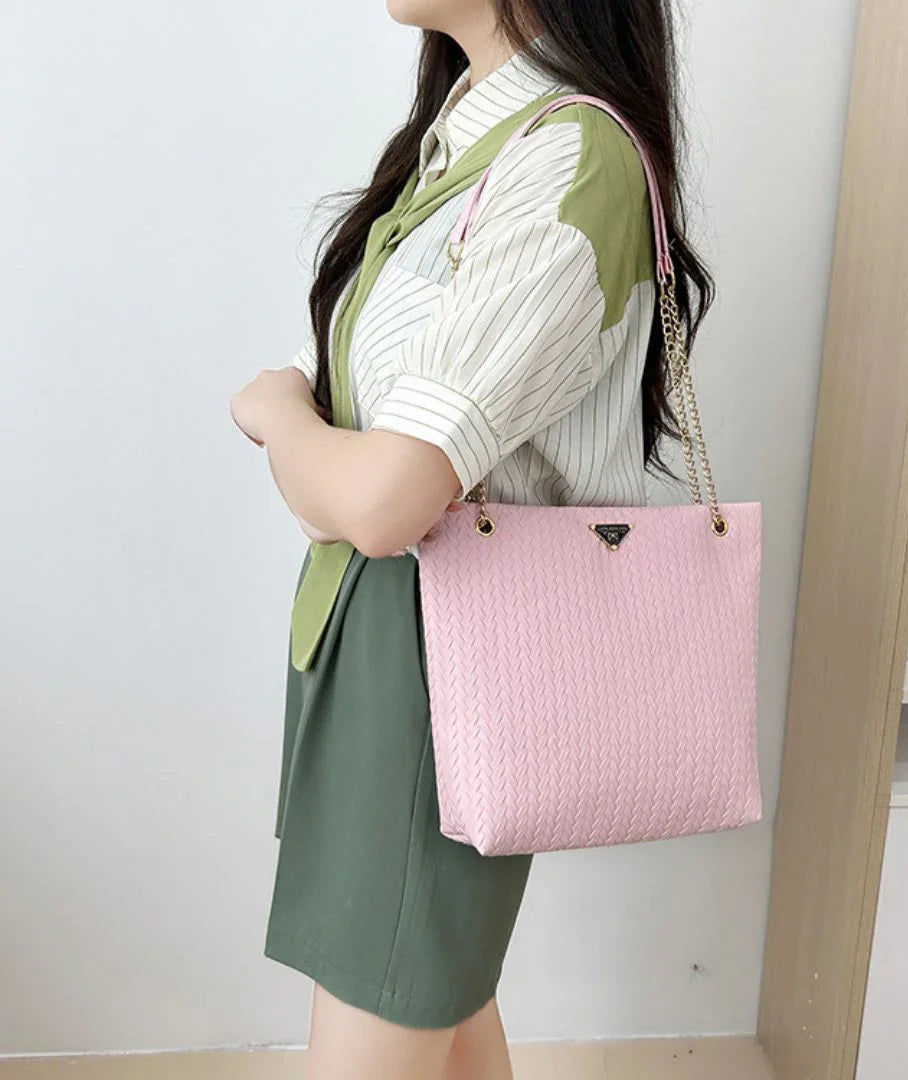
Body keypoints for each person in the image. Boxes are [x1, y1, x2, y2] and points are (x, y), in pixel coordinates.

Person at [229, 1, 713, 1076]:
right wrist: (333, 459)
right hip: (372, 643)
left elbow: (386, 498)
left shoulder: (572, 156)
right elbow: (369, 480)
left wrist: (279, 416)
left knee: (395, 1007)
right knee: (441, 1016)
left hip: (440, 663)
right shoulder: (465, 139)